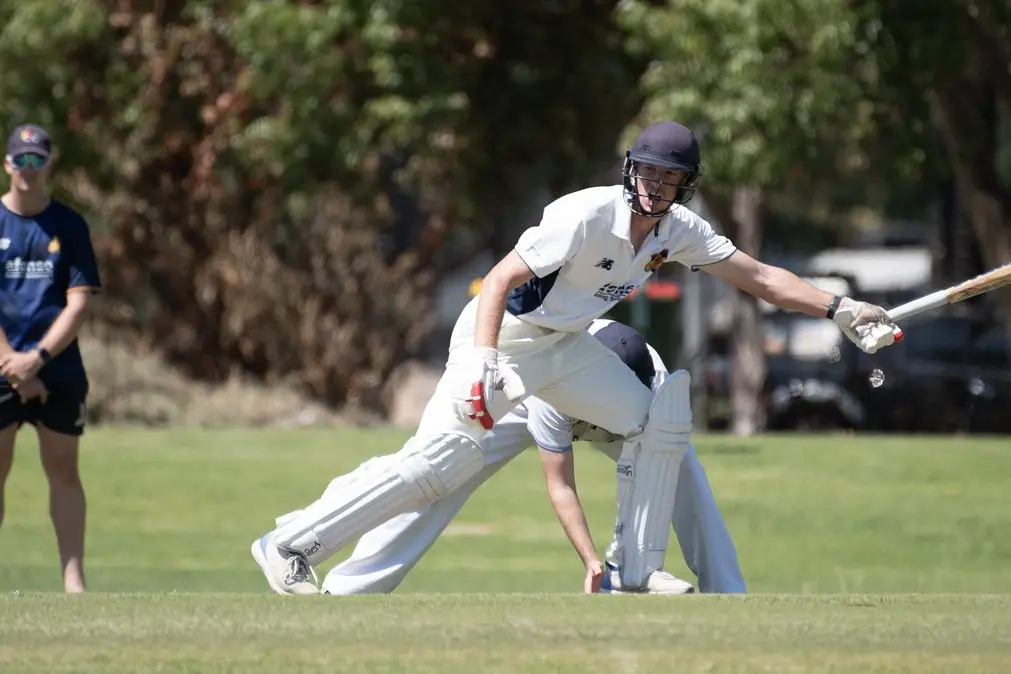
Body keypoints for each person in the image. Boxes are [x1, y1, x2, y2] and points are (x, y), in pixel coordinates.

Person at [251, 120, 898, 595]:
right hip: (501, 343)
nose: (655, 184)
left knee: (656, 427)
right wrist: (479, 361)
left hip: (567, 350)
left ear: (685, 184)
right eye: (647, 171)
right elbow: (498, 279)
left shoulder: (680, 232)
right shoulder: (583, 215)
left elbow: (757, 277)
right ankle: (290, 544)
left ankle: (635, 572)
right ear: (630, 170)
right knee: (438, 464)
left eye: (669, 176)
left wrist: (838, 309)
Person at [307, 319, 745, 596]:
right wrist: (590, 558)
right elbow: (561, 484)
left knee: (682, 467)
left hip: (611, 401)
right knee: (445, 468)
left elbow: (643, 478)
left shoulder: (655, 384)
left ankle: (726, 593)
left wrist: (621, 566)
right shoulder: (559, 387)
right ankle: (352, 587)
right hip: (522, 389)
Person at [0, 124, 101, 593]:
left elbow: (78, 302)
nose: (29, 169)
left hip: (57, 366)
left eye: (37, 159)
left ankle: (73, 580)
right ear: (7, 164)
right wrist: (12, 364)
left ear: (49, 164)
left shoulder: (69, 225)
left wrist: (35, 360)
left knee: (63, 471)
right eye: (21, 160)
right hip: (1, 366)